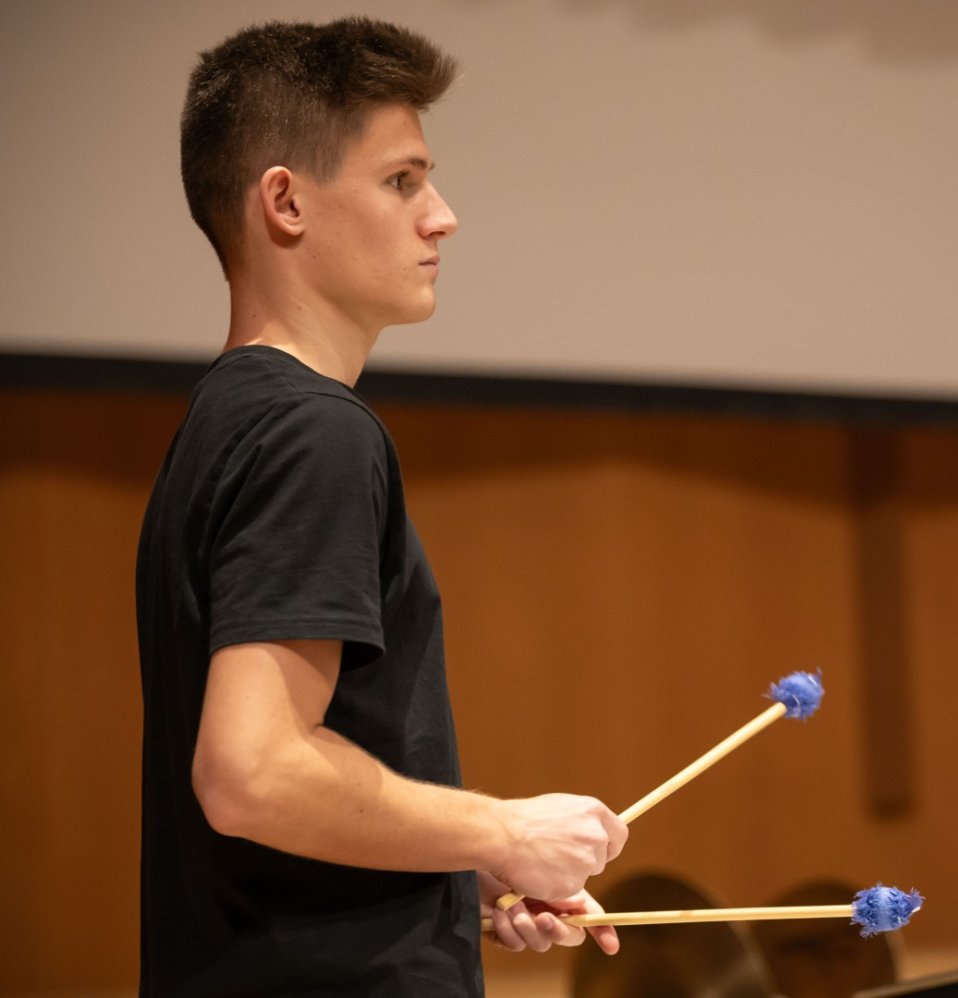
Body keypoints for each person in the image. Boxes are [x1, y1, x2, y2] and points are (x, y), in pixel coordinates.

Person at [135, 18, 627, 996]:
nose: (442, 217)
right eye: (402, 181)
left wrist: (455, 871)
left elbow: (277, 813)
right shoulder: (314, 430)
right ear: (285, 201)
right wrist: (502, 826)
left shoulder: (228, 419)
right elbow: (251, 773)